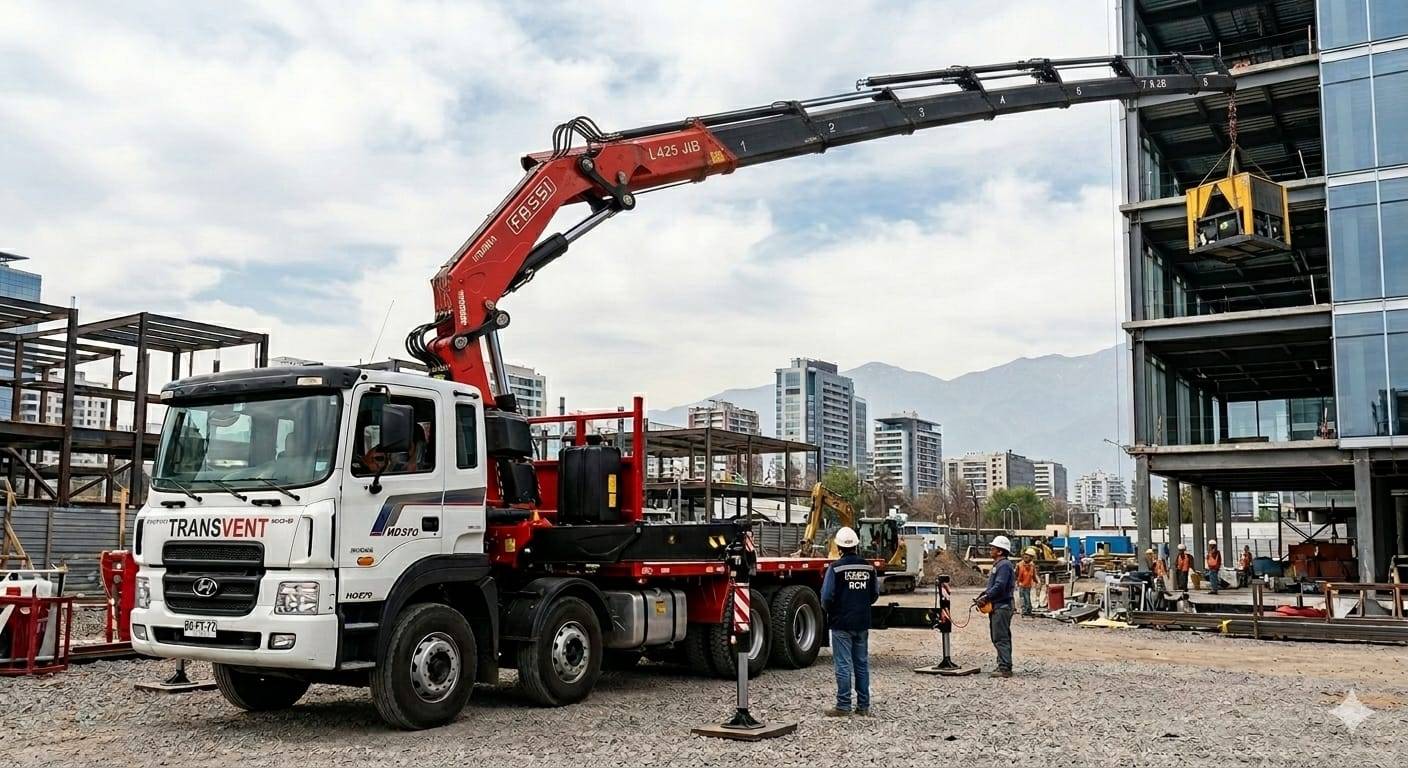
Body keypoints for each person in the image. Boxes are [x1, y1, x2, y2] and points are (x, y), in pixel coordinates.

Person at [820, 526, 879, 716]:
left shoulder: (835, 568)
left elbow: (827, 596)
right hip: (862, 622)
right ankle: (863, 706)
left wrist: (833, 612)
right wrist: (860, 605)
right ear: (856, 545)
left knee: (843, 665)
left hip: (841, 623)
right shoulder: (868, 568)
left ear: (838, 547)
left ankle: (843, 706)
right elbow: (874, 594)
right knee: (861, 664)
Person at [975, 535, 1016, 678]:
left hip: (1002, 606)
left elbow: (999, 586)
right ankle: (1003, 664)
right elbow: (995, 585)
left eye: (993, 548)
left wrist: (986, 597)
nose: (990, 550)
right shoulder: (1000, 565)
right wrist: (983, 595)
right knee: (1000, 636)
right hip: (1000, 606)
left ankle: (1005, 668)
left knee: (1000, 637)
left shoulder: (1003, 565)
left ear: (1000, 551)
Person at [1016, 548, 1038, 616]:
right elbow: (1016, 574)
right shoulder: (1019, 565)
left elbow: (1034, 575)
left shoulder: (1032, 565)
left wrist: (1036, 582)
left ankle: (1028, 609)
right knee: (1022, 598)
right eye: (1025, 556)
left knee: (1027, 597)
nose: (1026, 557)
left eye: (1028, 556)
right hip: (1021, 584)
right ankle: (1024, 610)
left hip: (1028, 585)